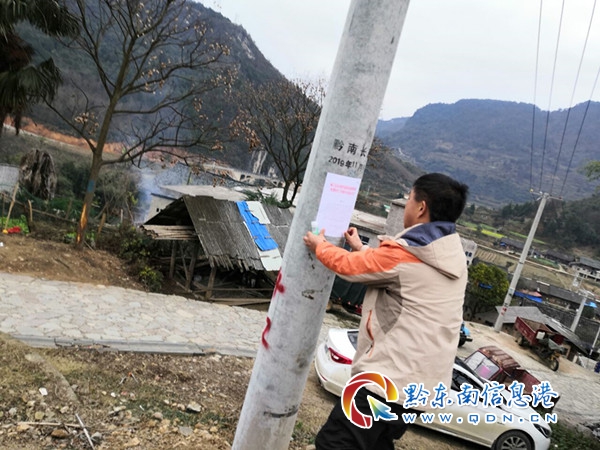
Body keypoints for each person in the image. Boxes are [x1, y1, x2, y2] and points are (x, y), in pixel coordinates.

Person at [304, 172, 469, 450]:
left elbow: (352, 267)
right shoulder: (449, 255)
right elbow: (394, 269)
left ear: (421, 207)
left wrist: (321, 246)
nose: (407, 205)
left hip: (386, 382)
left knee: (333, 443)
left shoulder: (407, 254)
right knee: (376, 443)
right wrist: (360, 247)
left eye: (409, 199)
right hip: (418, 388)